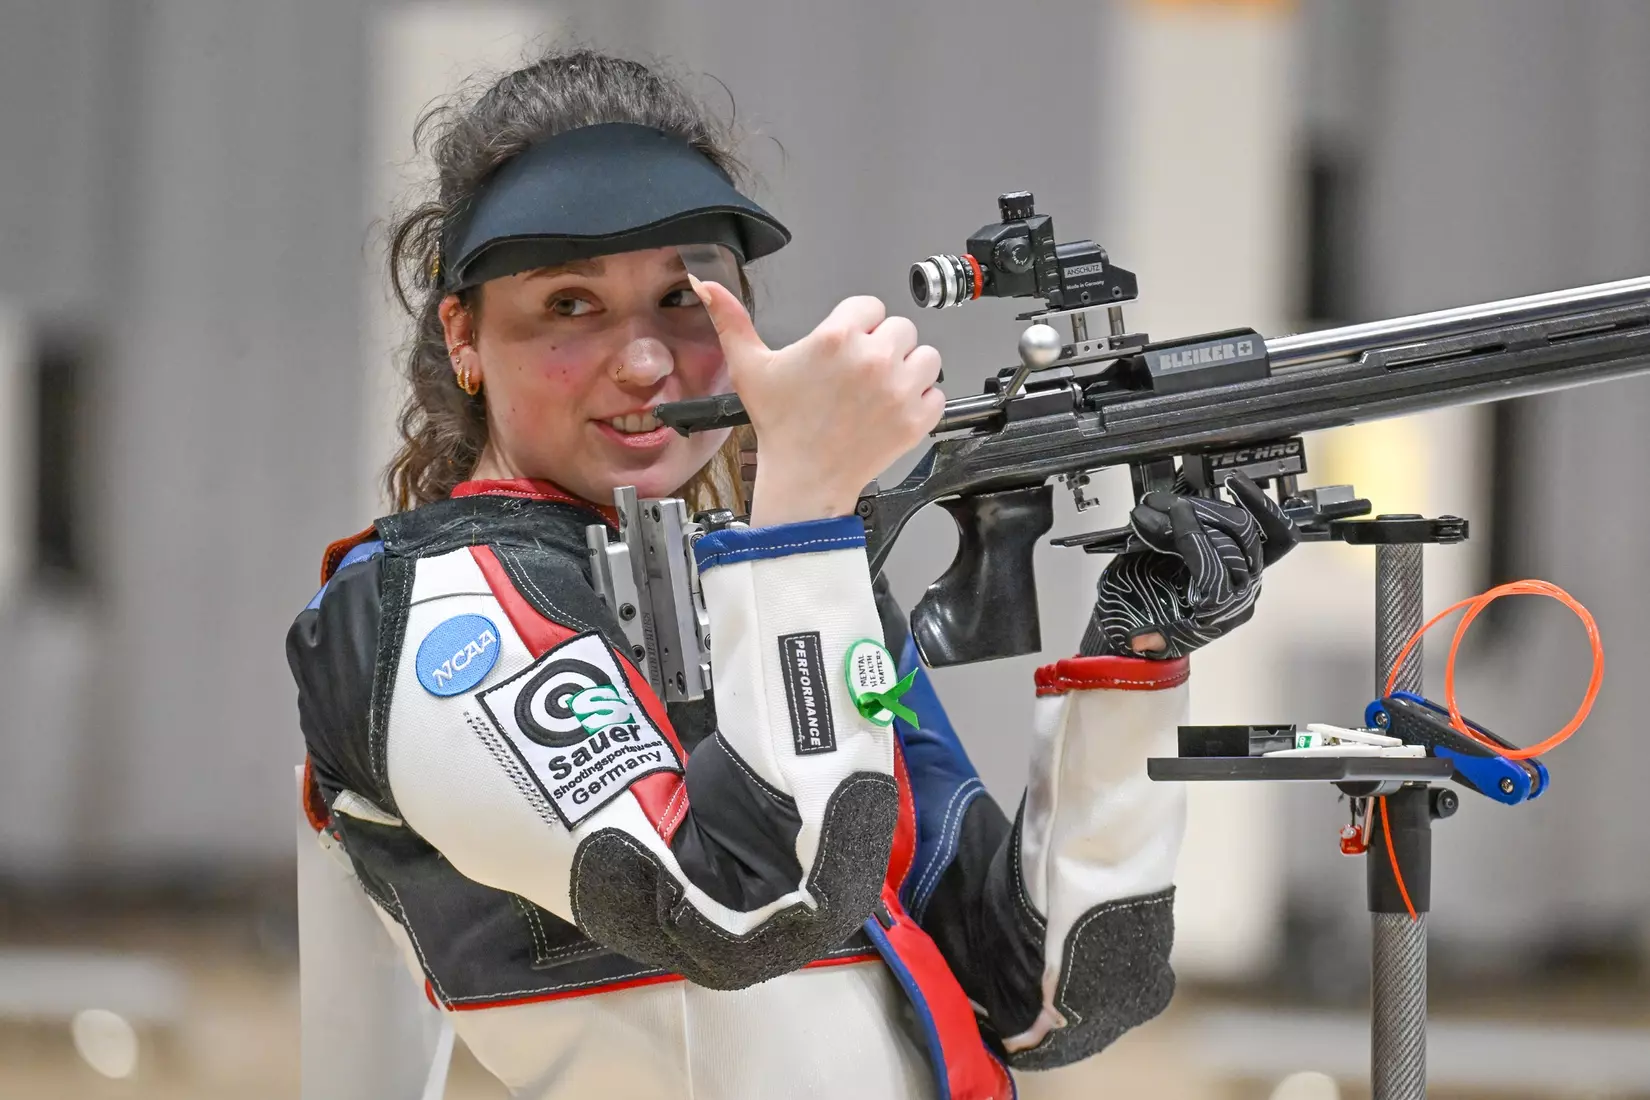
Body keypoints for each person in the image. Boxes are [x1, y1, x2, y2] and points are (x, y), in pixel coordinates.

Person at [286, 49, 1297, 1100]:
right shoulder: (420, 608)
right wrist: (803, 517)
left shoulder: (773, 580)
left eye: (682, 297)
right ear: (465, 335)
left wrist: (1132, 659)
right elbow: (745, 911)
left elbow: (1052, 993)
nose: (645, 362)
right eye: (571, 305)